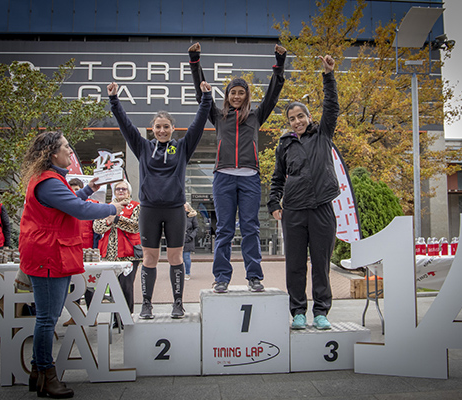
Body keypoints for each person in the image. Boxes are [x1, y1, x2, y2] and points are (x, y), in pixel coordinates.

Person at [19, 131, 128, 398]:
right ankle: (47, 374)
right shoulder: (49, 182)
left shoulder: (50, 180)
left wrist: (89, 189)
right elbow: (80, 210)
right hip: (49, 255)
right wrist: (113, 208)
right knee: (47, 320)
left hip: (50, 252)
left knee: (47, 318)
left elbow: (69, 202)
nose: (71, 151)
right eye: (66, 147)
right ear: (51, 153)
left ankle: (37, 373)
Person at [108, 79, 212, 319]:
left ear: (173, 128)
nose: (162, 130)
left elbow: (197, 126)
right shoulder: (143, 147)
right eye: (158, 127)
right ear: (152, 129)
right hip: (150, 210)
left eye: (166, 126)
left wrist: (206, 99)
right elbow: (126, 126)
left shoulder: (182, 148)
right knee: (149, 258)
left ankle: (178, 303)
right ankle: (146, 304)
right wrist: (114, 100)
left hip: (175, 209)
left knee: (175, 257)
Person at [188, 42, 286, 293]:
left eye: (241, 92)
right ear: (227, 95)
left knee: (251, 227)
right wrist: (195, 61)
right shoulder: (217, 116)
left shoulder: (256, 116)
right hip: (223, 178)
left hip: (250, 178)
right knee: (224, 229)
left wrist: (279, 63)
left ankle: (254, 276)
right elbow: (202, 95)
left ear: (246, 96)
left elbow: (273, 94)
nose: (237, 96)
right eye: (233, 92)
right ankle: (221, 277)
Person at [267, 55, 340, 331]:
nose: (296, 121)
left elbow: (332, 107)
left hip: (321, 208)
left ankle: (321, 312)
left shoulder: (322, 134)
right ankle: (298, 312)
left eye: (301, 116)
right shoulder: (284, 145)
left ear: (309, 118)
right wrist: (274, 202)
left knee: (321, 264)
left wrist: (328, 75)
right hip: (294, 211)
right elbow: (277, 178)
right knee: (295, 265)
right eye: (292, 118)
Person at [93, 180, 141, 327]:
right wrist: (108, 222)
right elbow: (96, 227)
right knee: (113, 288)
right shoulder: (106, 207)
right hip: (109, 255)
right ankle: (115, 319)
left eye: (124, 189)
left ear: (129, 191)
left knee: (126, 287)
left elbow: (136, 226)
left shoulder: (136, 206)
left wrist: (116, 219)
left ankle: (126, 317)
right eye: (118, 189)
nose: (121, 191)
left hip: (129, 254)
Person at [62, 178, 99, 327]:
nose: (74, 192)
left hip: (88, 251)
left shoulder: (90, 206)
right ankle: (75, 316)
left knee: (89, 285)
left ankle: (92, 315)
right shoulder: (64, 207)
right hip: (70, 252)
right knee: (73, 286)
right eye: (71, 189)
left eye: (77, 189)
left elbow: (96, 232)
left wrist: (95, 250)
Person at [183, 202, 199, 280]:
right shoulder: (178, 216)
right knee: (177, 258)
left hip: (188, 239)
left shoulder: (192, 217)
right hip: (178, 240)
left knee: (186, 257)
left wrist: (191, 236)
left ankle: (187, 273)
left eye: (184, 208)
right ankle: (179, 272)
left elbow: (196, 228)